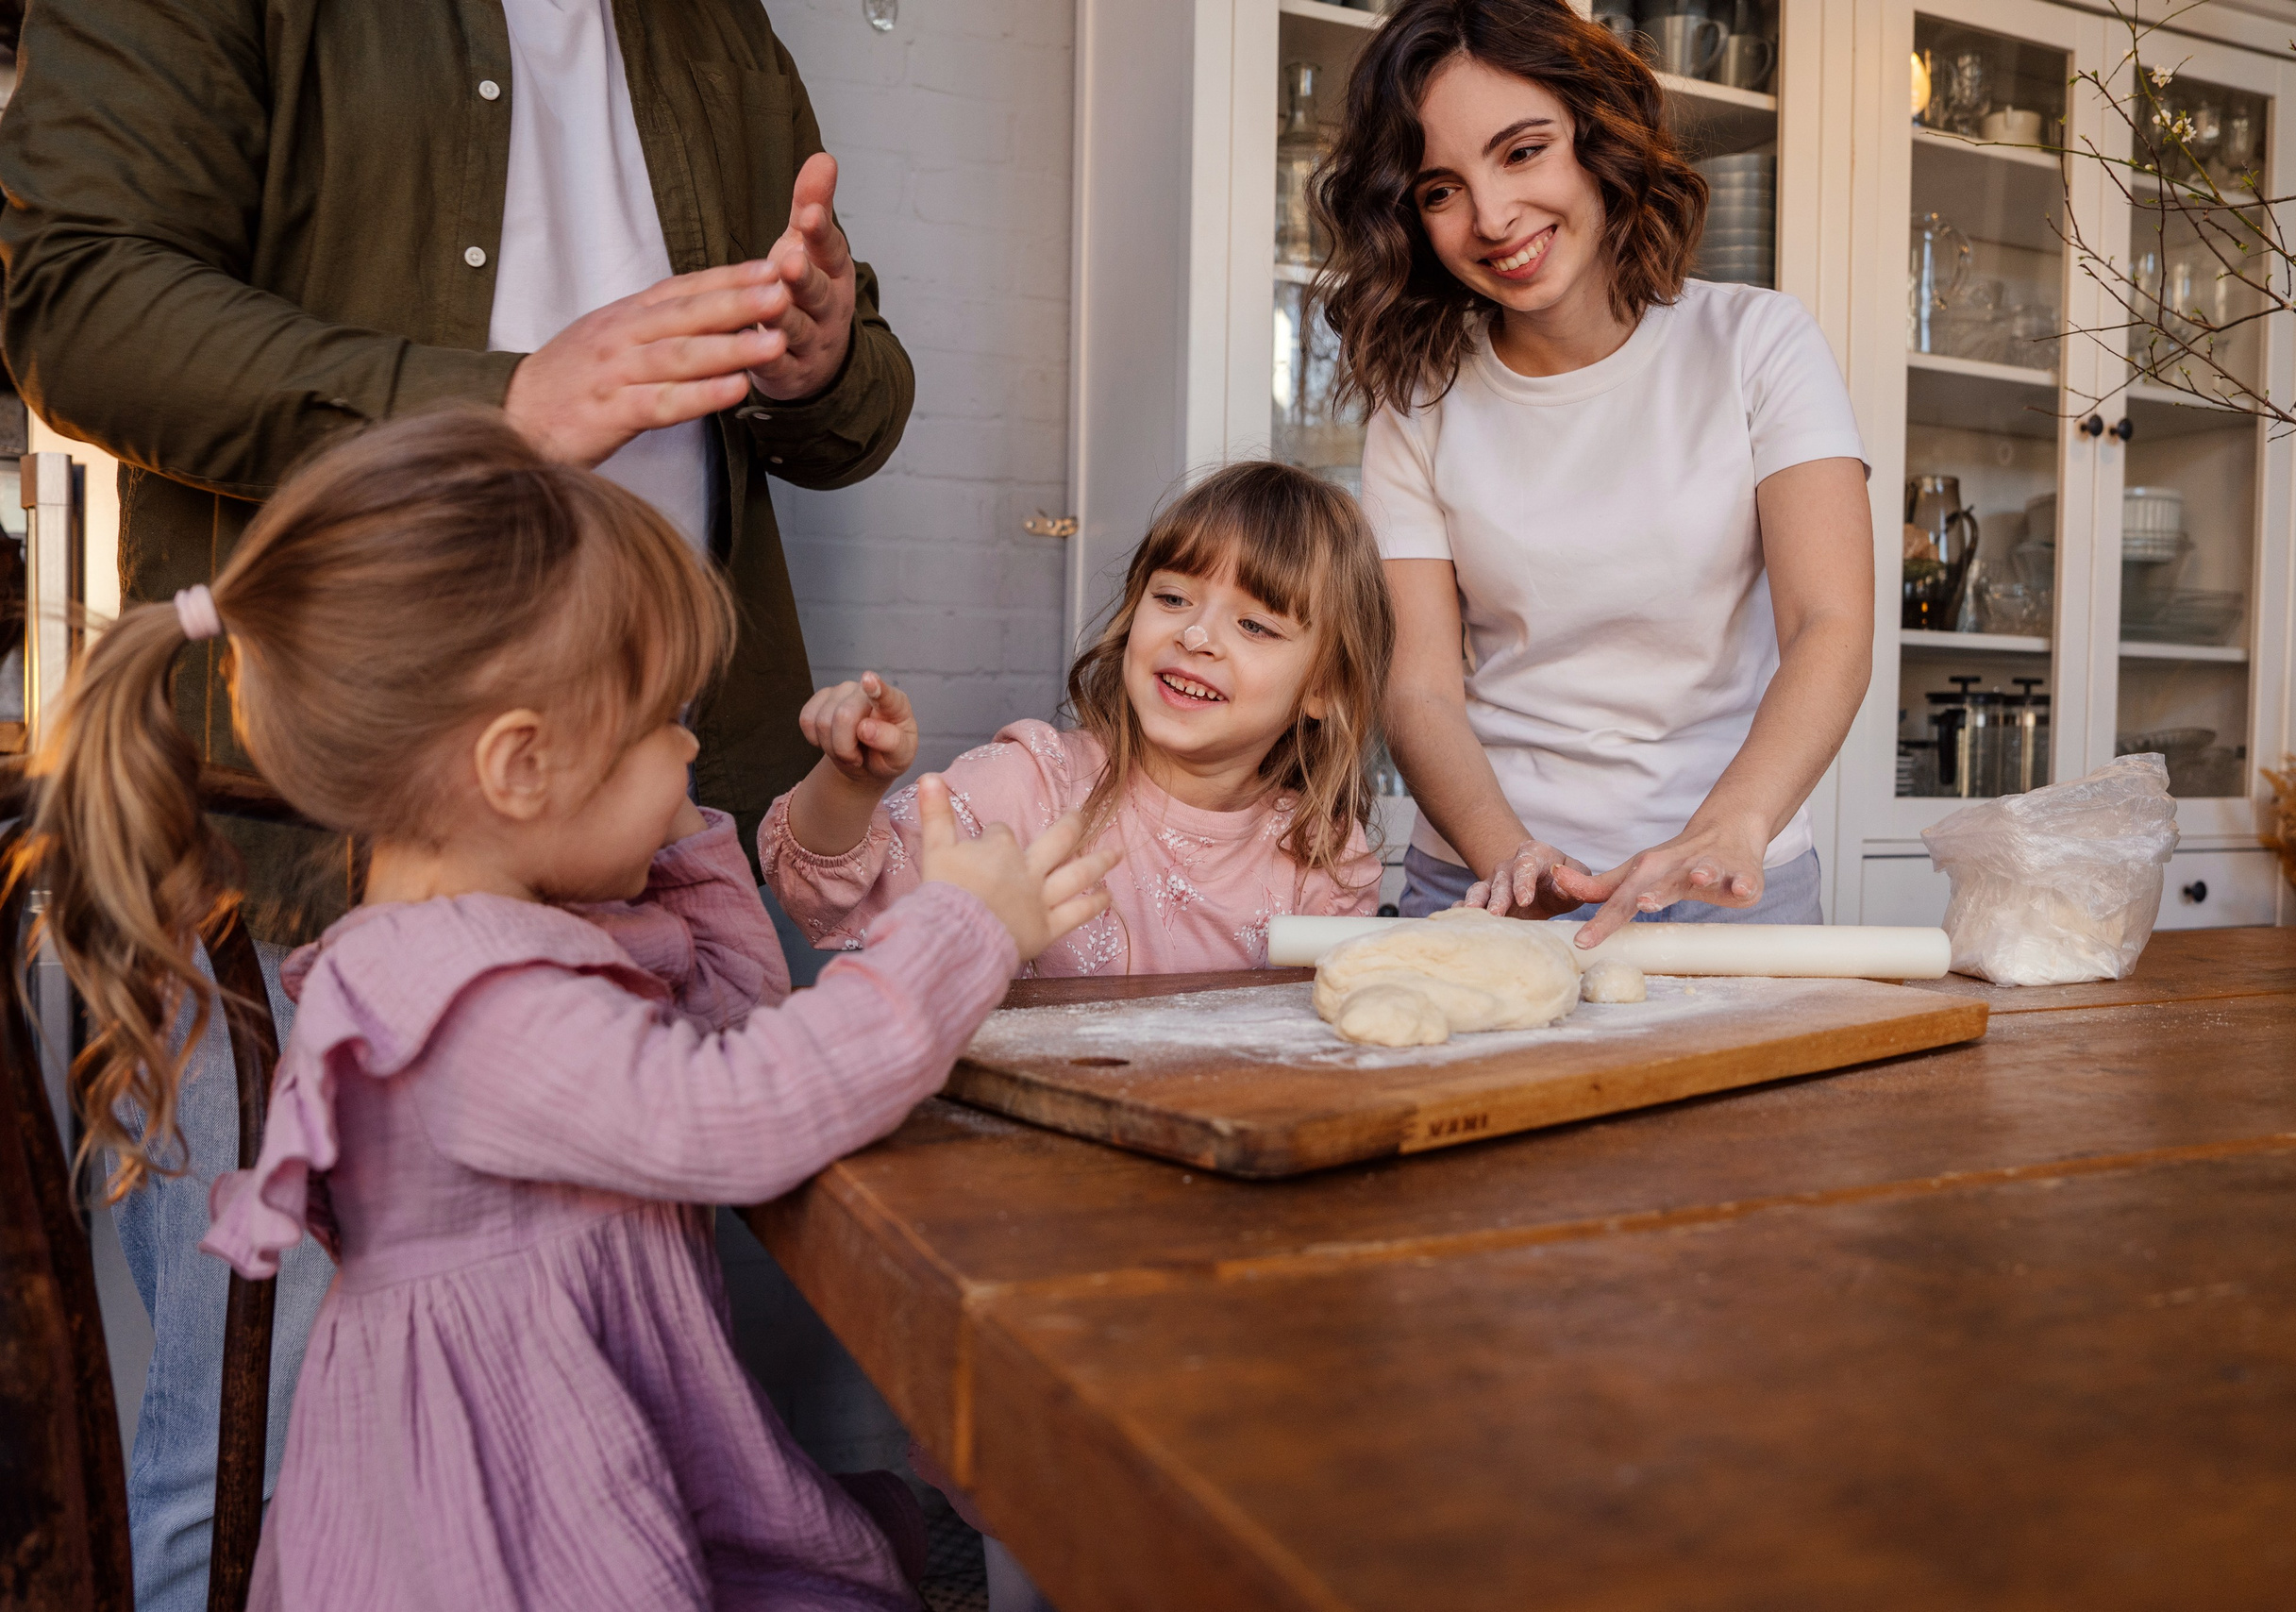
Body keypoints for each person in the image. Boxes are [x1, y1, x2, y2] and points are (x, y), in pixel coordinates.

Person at [0, 5, 912, 1600]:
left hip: (631, 834)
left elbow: (854, 404)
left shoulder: (719, 26)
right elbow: (76, 297)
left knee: (593, 1396)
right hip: (311, 845)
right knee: (263, 1441)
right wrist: (489, 400)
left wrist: (825, 357)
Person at [10, 410, 1116, 1611]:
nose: (689, 749)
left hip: (584, 1445)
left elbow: (735, 1014)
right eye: (665, 725)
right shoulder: (466, 1003)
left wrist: (676, 833)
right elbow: (742, 1109)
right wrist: (958, 931)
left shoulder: (503, 937)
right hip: (506, 1529)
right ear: (520, 766)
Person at [1316, 0, 1874, 947]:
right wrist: (1509, 856)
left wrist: (1727, 830)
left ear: (1597, 136)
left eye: (1523, 151)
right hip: (1491, 873)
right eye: (1440, 190)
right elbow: (1417, 692)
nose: (1493, 217)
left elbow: (1830, 624)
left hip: (1730, 874)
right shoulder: (1419, 399)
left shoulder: (1758, 342)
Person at [764, 462, 1393, 975]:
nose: (1196, 635)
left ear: (1324, 688)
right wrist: (849, 784)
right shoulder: (1028, 785)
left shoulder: (1322, 858)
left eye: (1254, 625)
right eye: (1173, 598)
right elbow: (818, 895)